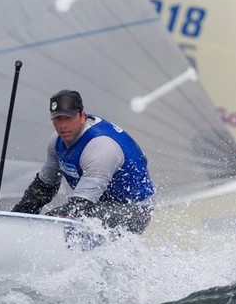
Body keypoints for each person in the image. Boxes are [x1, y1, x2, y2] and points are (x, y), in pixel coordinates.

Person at [11, 89, 154, 234]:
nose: (63, 125)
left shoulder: (101, 147)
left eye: (68, 118)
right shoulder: (56, 141)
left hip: (134, 211)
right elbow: (43, 188)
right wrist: (15, 217)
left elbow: (79, 206)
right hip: (99, 203)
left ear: (82, 116)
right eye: (58, 119)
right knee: (56, 218)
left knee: (57, 221)